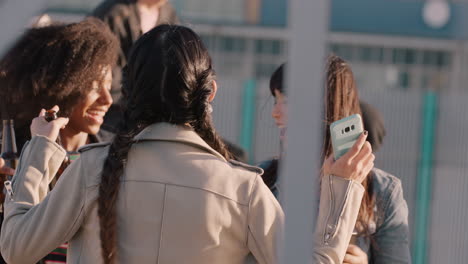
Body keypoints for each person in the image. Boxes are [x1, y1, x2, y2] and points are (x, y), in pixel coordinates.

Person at [1, 24, 373, 264]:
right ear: (209, 92)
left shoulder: (91, 168)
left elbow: (17, 248)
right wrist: (343, 188)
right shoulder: (243, 187)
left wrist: (40, 150)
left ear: (128, 92)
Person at [264, 57, 410, 264]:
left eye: (286, 101)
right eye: (275, 100)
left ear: (327, 106)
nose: (275, 113)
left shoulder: (382, 192)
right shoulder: (260, 181)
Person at [0, 18, 119, 263]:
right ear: (62, 86)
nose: (107, 99)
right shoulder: (13, 151)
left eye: (109, 86)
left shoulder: (115, 153)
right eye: (94, 86)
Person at [91, 0, 179, 131]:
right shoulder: (114, 12)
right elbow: (99, 68)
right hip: (111, 113)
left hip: (152, 114)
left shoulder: (169, 14)